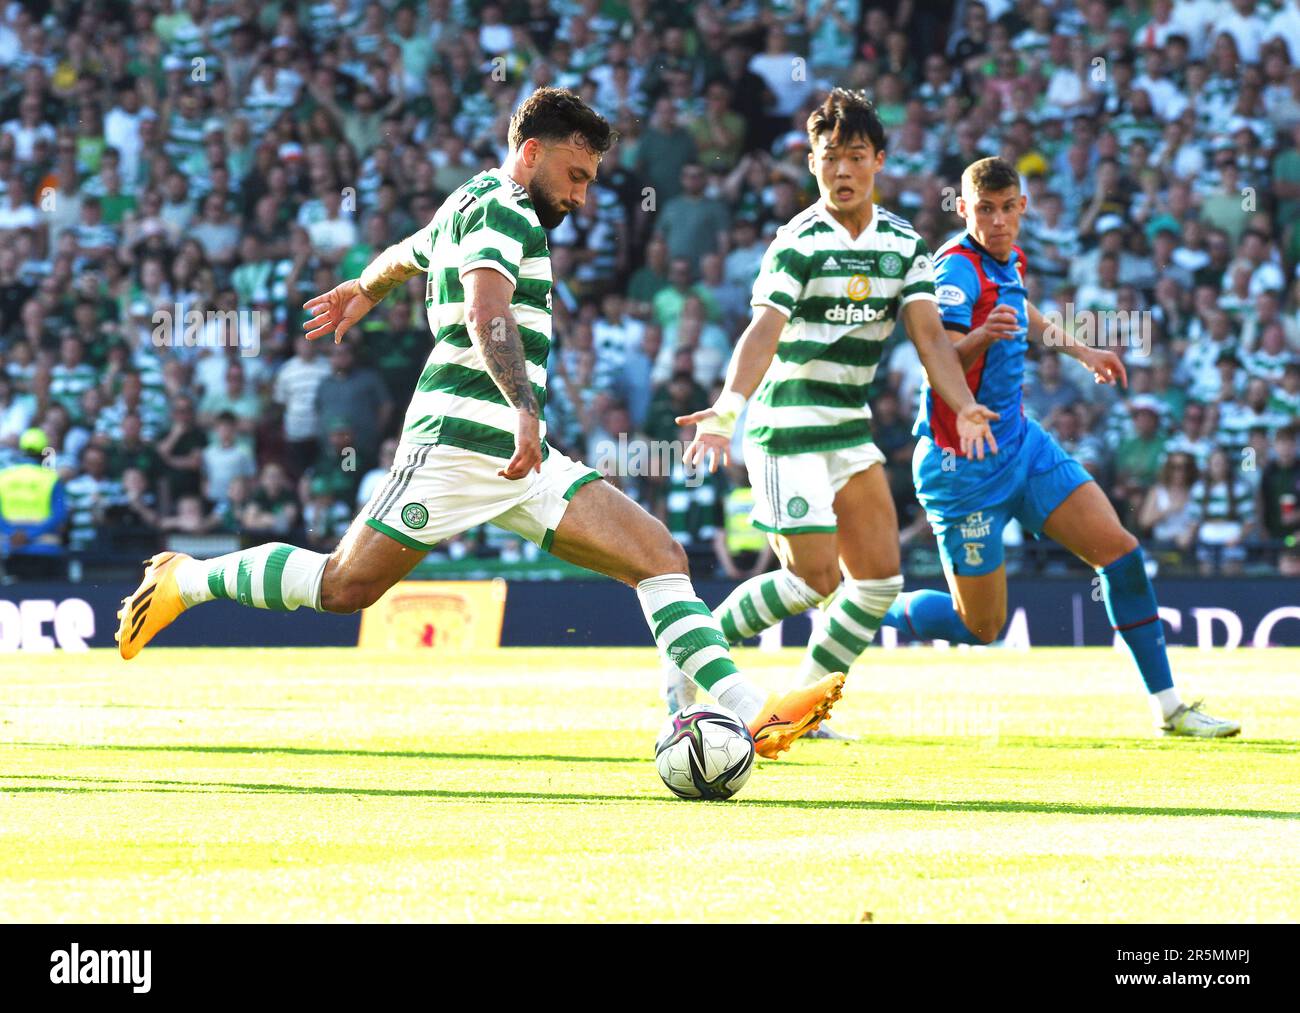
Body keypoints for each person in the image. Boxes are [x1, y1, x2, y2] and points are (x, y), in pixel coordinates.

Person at [116, 88, 841, 760]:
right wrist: (525, 408)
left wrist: (365, 290)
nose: (581, 195)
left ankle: (744, 708)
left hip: (522, 455)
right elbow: (486, 315)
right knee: (344, 588)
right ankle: (188, 579)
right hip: (460, 445)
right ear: (531, 152)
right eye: (576, 173)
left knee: (659, 554)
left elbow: (410, 250)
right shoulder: (504, 210)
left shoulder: (475, 199)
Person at [877, 156, 1239, 738]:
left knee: (1120, 552)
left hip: (1020, 444)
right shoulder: (954, 273)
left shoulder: (1009, 259)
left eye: (1006, 208)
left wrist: (1084, 351)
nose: (997, 221)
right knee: (982, 626)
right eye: (984, 209)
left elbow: (1026, 316)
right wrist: (978, 339)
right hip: (961, 466)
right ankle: (865, 599)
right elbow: (937, 358)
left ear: (1022, 208)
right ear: (964, 209)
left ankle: (1170, 708)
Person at [675, 89, 997, 725]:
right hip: (786, 426)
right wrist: (725, 410)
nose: (841, 170)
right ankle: (690, 650)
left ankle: (798, 712)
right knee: (813, 581)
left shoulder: (904, 244)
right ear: (813, 165)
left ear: (878, 159)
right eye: (829, 158)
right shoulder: (797, 241)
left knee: (878, 582)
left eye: (855, 156)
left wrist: (962, 404)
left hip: (848, 429)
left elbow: (930, 335)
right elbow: (762, 331)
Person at [0, 427, 67, 579]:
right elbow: (60, 514)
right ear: (44, 452)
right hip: (45, 549)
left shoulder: (3, 477)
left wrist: (13, 534)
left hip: (11, 548)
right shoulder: (51, 478)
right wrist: (30, 535)